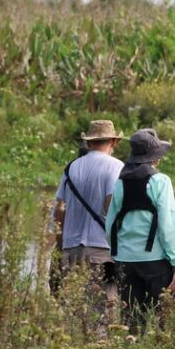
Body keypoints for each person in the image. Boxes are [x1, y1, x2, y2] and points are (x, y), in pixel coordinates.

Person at [105, 128, 175, 330]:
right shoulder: (161, 181)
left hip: (125, 261)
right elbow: (167, 225)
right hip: (155, 261)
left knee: (131, 322)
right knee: (160, 321)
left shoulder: (120, 183)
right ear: (155, 158)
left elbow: (110, 224)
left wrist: (117, 253)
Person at [53, 120, 124, 300]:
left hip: (71, 249)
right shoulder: (116, 167)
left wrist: (62, 245)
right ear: (113, 142)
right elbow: (110, 205)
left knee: (72, 311)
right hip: (101, 250)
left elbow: (59, 210)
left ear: (88, 142)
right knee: (102, 311)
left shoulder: (71, 168)